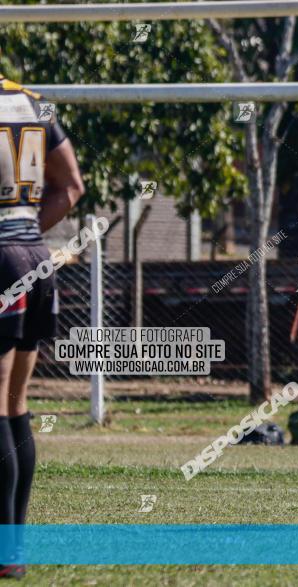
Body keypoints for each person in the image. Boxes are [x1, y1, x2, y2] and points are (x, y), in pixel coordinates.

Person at [0, 72, 85, 579]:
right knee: (15, 403)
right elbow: (71, 186)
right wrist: (23, 235)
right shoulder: (35, 103)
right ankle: (14, 548)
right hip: (34, 256)